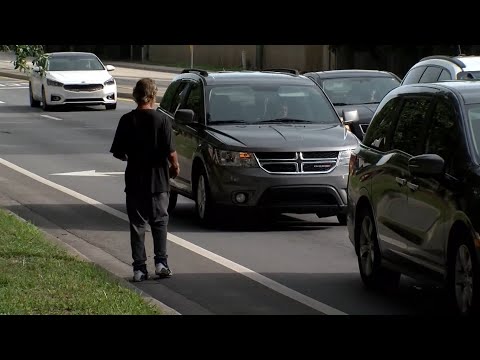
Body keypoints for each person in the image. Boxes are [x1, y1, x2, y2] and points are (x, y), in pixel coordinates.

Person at [110, 78, 180, 282]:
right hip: (158, 180)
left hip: (134, 180)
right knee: (159, 222)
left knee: (137, 225)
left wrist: (130, 156)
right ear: (152, 95)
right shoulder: (162, 120)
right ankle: (161, 263)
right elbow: (171, 153)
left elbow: (118, 153)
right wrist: (174, 167)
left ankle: (139, 269)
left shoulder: (126, 120)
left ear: (135, 95)